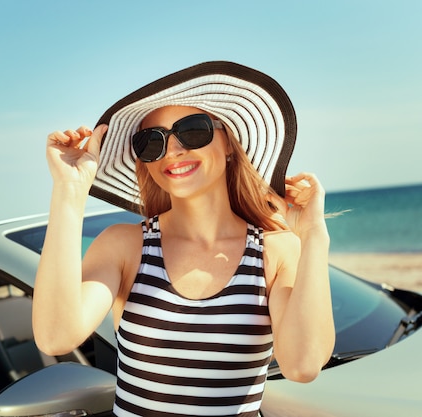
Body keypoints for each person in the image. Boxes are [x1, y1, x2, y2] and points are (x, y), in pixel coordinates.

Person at [32, 61, 335, 417]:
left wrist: (314, 235)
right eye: (152, 142)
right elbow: (56, 336)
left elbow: (302, 365)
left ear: (228, 142)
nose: (171, 151)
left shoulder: (276, 252)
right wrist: (69, 190)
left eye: (191, 131)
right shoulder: (125, 246)